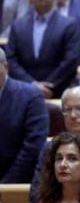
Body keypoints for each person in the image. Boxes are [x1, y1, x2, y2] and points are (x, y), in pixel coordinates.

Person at [6, 0, 80, 99]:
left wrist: (47, 86)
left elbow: (70, 60)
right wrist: (32, 85)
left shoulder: (69, 24)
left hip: (57, 92)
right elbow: (10, 59)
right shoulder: (18, 25)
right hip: (23, 93)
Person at [0, 47, 49, 183]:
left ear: (5, 66)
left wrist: (5, 185)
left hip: (18, 180)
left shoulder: (30, 96)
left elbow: (33, 147)